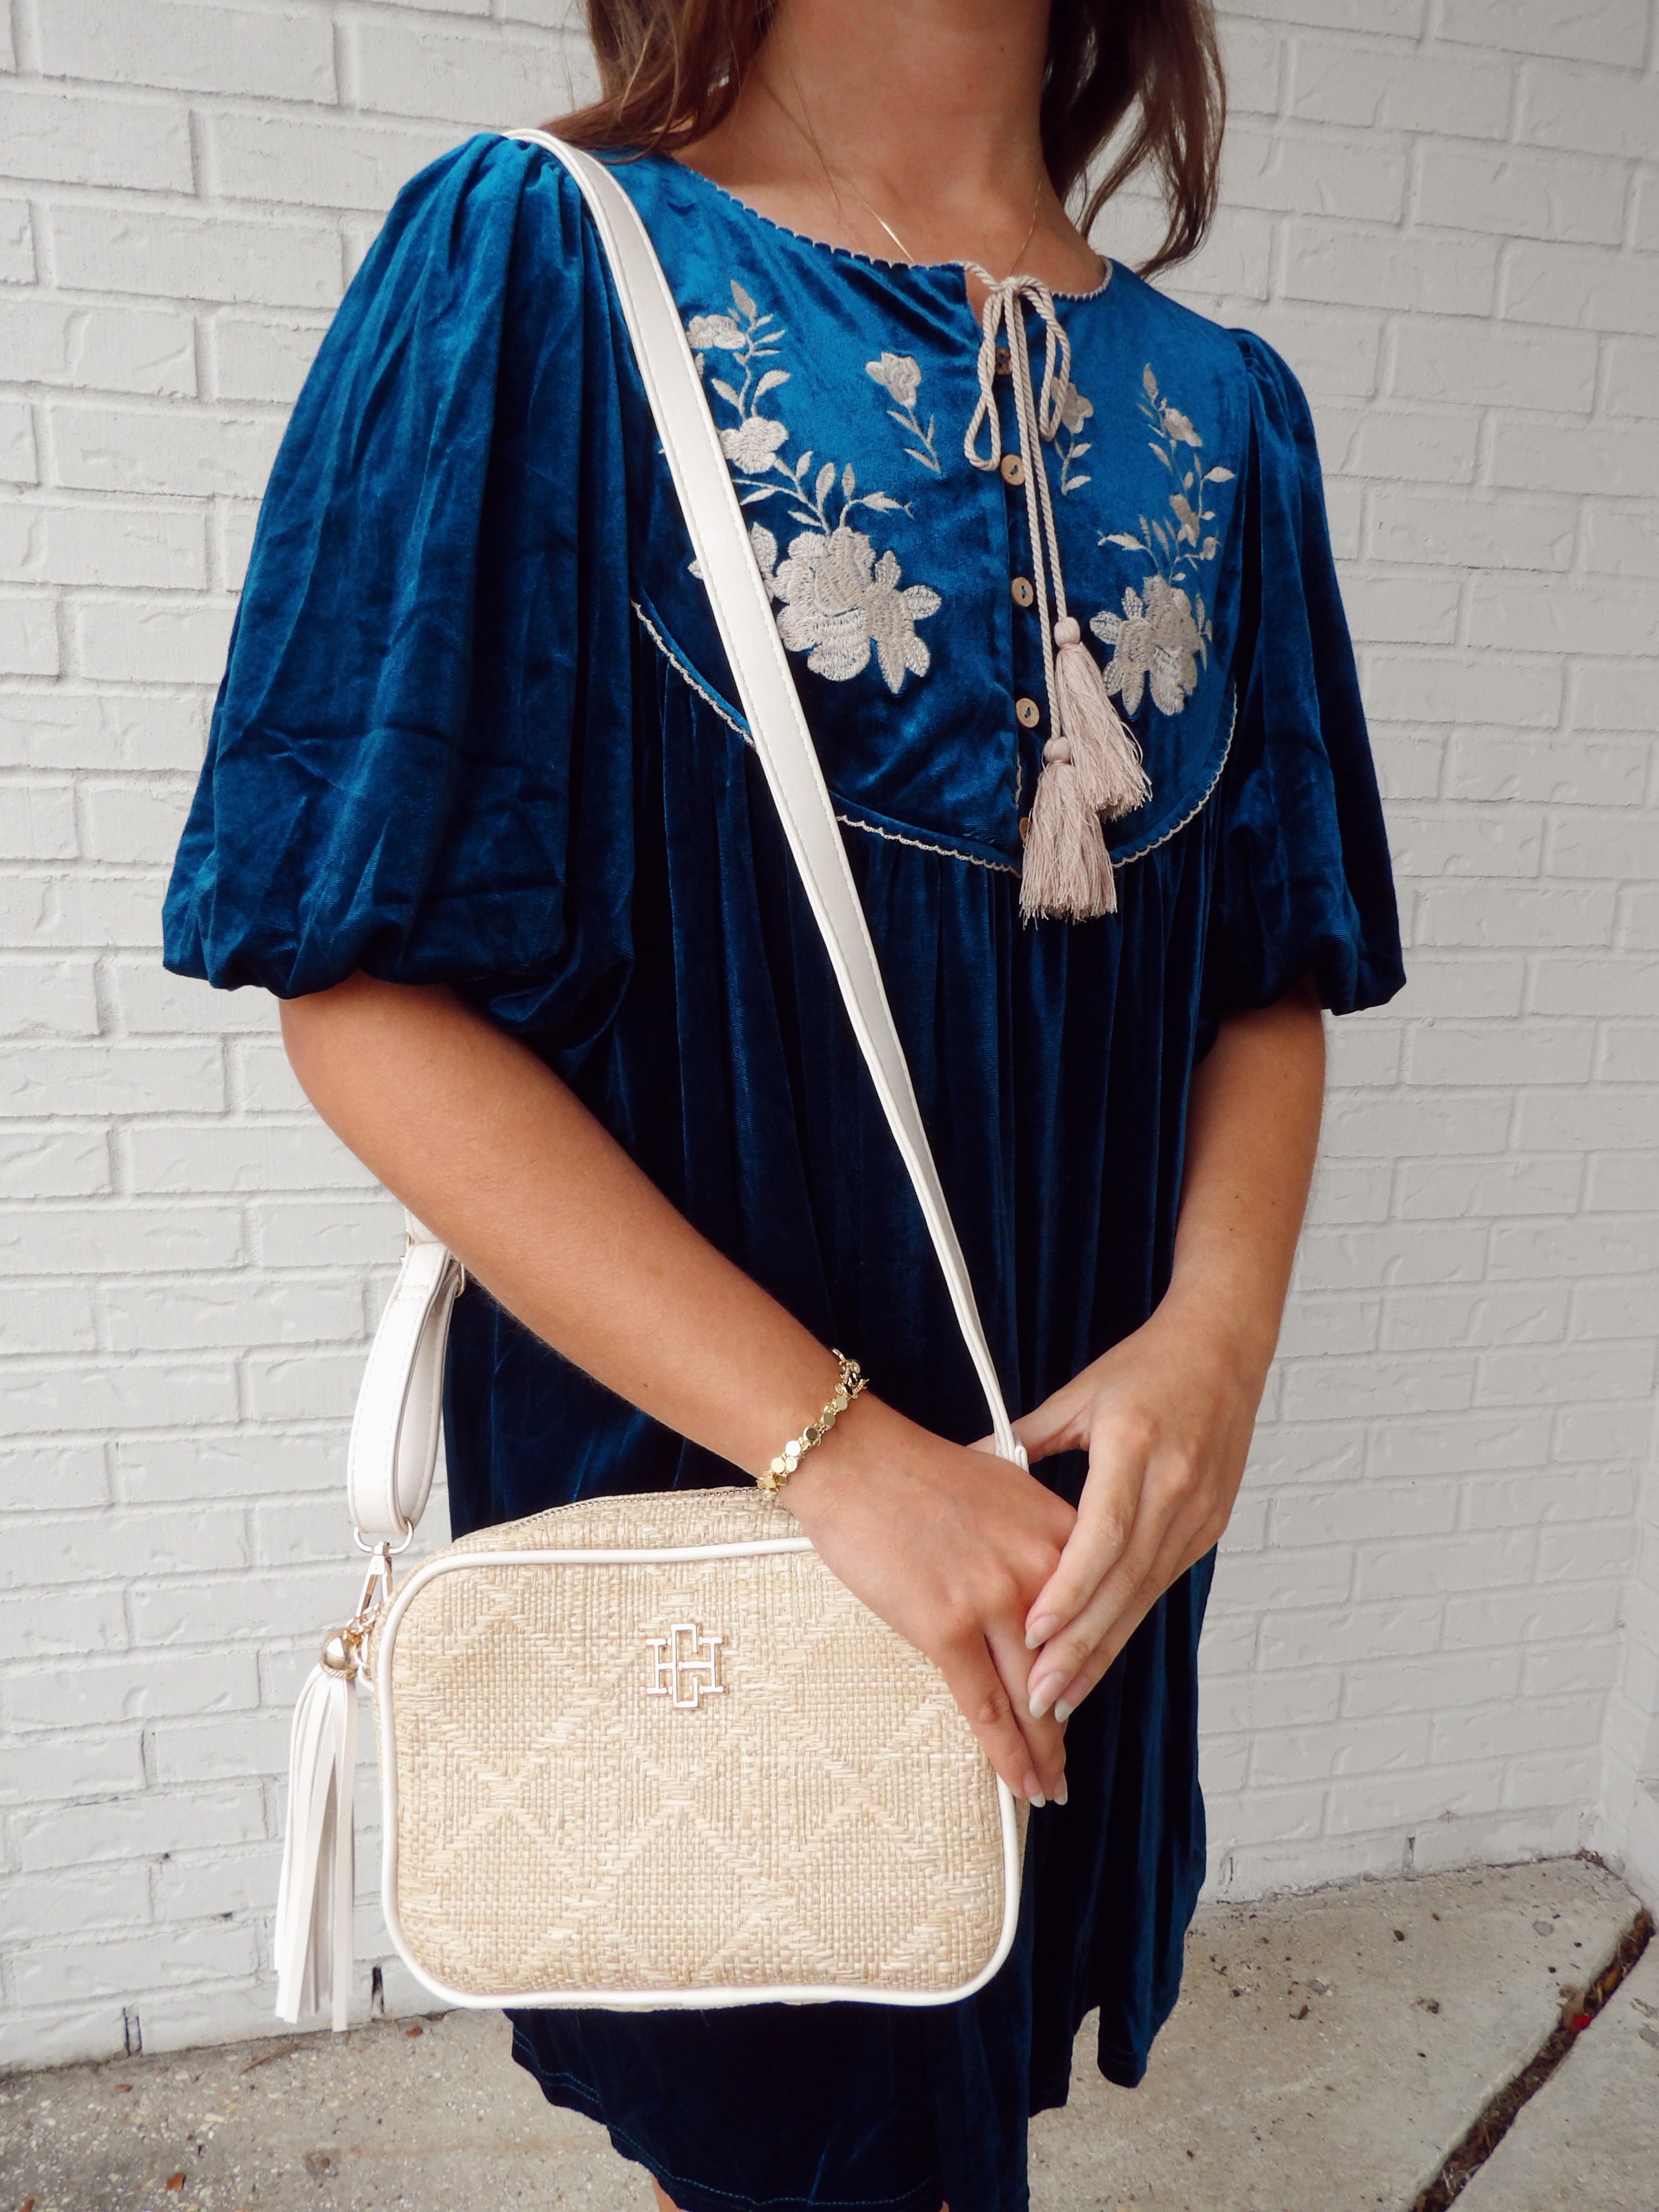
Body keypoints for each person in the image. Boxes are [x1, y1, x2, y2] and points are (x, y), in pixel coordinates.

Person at [162, 1, 1404, 2206]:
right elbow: (366, 994)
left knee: (970, 2016)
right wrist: (841, 1456)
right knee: (785, 2111)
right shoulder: (547, 267)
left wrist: (1220, 1343)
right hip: (730, 1497)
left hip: (1074, 1538)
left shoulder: (1227, 412)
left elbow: (1269, 973)